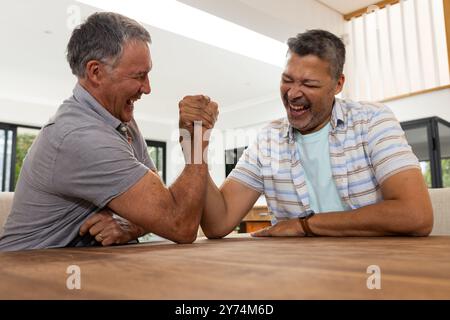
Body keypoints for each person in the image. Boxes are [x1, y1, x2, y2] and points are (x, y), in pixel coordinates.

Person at [0, 12, 218, 251]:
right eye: (139, 76)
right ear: (95, 72)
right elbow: (180, 224)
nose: (147, 88)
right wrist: (197, 139)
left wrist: (131, 225)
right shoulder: (80, 135)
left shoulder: (119, 117)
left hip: (81, 261)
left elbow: (159, 204)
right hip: (25, 273)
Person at [187, 29, 433, 238]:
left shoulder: (372, 121)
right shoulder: (268, 140)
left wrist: (306, 225)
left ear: (338, 84)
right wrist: (195, 144)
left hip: (375, 268)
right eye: (287, 80)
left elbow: (416, 215)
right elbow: (217, 224)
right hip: (300, 275)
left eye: (309, 84)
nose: (293, 94)